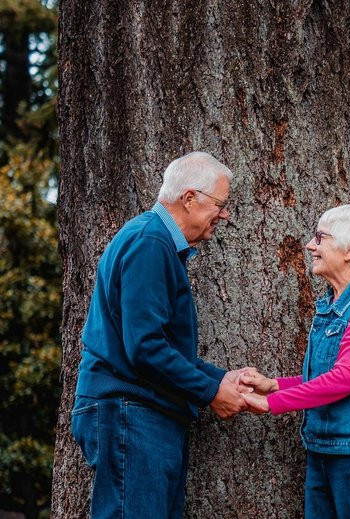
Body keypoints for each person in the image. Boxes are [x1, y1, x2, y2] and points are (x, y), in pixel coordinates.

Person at [71, 151, 252, 519]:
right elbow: (146, 348)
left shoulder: (157, 244)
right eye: (220, 204)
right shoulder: (150, 243)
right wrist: (211, 392)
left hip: (142, 414)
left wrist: (222, 379)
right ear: (189, 199)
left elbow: (157, 345)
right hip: (131, 413)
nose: (225, 214)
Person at [241, 204, 350, 519]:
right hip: (329, 446)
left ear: (348, 251)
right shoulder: (337, 302)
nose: (311, 245)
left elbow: (347, 378)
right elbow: (329, 373)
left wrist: (273, 403)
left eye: (320, 238)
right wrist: (274, 385)